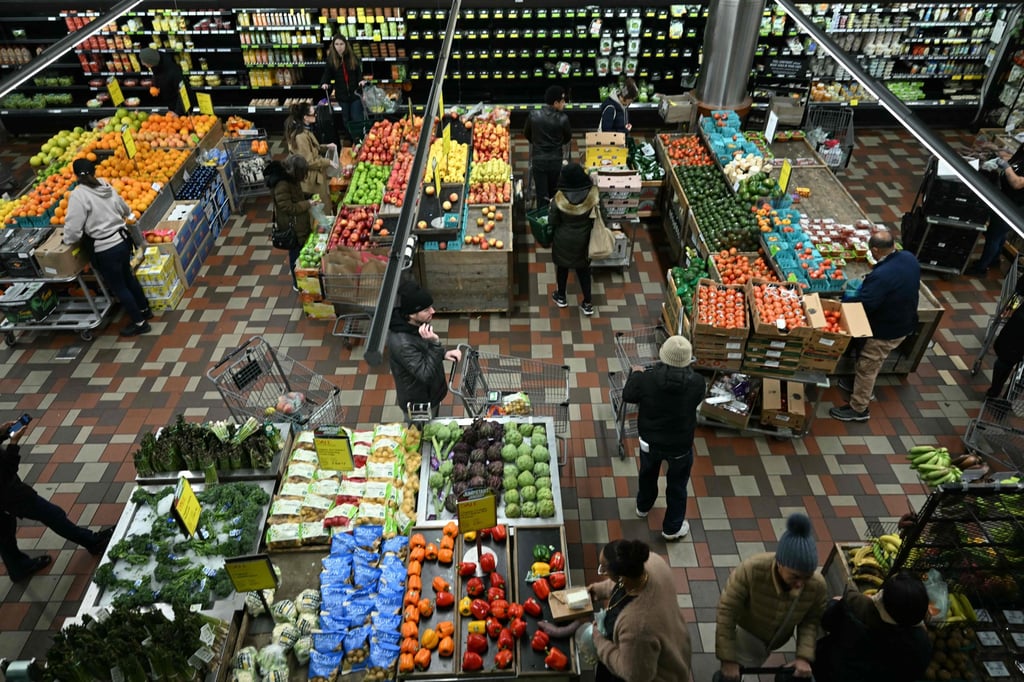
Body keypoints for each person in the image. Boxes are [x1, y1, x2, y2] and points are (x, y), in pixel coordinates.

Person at [716, 513, 827, 681]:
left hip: (777, 638)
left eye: (807, 577)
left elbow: (810, 620)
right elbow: (727, 612)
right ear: (780, 563)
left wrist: (804, 656)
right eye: (795, 576)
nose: (801, 584)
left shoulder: (817, 585)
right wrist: (728, 658)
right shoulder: (751, 570)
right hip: (749, 634)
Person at [1, 418, 114, 582]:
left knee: (4, 533)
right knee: (52, 515)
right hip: (10, 495)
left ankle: (18, 568)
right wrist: (13, 444)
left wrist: (1, 433)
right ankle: (92, 541)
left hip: (7, 496)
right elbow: (6, 473)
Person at [564, 538, 691, 682]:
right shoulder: (652, 563)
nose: (602, 572)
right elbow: (625, 584)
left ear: (621, 577)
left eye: (604, 569)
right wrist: (599, 590)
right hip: (672, 641)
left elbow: (634, 674)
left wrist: (600, 642)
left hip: (651, 670)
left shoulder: (637, 626)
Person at [830, 229, 920, 422]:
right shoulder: (908, 257)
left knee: (868, 366)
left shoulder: (882, 275)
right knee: (869, 363)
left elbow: (867, 304)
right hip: (905, 320)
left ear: (876, 250)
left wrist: (846, 303)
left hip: (887, 330)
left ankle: (859, 408)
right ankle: (856, 384)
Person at [623, 335, 706, 541]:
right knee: (677, 486)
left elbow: (628, 395)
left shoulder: (646, 380)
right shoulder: (697, 383)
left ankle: (643, 506)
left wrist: (635, 374)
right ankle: (672, 528)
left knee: (648, 474)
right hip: (679, 446)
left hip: (649, 442)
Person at [62, 158, 152, 337]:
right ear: (94, 171)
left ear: (75, 177)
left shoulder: (78, 196)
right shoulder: (105, 185)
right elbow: (124, 209)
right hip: (123, 241)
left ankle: (140, 323)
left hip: (105, 249)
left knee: (119, 286)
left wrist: (67, 239)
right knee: (128, 277)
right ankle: (145, 310)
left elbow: (73, 230)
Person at [813, 572, 931, 682]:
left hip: (830, 672)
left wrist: (836, 602)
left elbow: (826, 620)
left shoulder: (856, 606)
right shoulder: (922, 645)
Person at [387, 280, 462, 419]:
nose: (433, 311)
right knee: (420, 435)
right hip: (419, 404)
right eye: (426, 309)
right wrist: (435, 343)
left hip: (429, 395)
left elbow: (423, 351)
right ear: (411, 314)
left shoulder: (414, 326)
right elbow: (425, 374)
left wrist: (443, 353)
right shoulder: (403, 344)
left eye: (431, 307)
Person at [549, 163, 600, 316]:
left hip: (563, 239)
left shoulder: (559, 198)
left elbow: (552, 221)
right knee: (584, 271)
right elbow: (598, 215)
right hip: (584, 240)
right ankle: (587, 303)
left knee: (562, 268)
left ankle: (561, 297)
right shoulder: (592, 195)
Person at [968, 147, 1024, 275]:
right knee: (999, 234)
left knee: (993, 236)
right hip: (1003, 200)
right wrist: (997, 156)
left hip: (1013, 207)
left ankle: (981, 269)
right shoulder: (1022, 153)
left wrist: (1005, 166)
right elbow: (1013, 161)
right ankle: (994, 260)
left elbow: (1017, 183)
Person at [264, 155, 317, 291]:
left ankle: (303, 276)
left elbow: (296, 195)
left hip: (298, 222)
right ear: (296, 172)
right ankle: (296, 282)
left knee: (300, 249)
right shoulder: (282, 184)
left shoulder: (290, 178)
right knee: (295, 252)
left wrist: (308, 196)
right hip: (291, 225)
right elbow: (288, 207)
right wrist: (307, 204)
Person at [284, 101, 337, 215]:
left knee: (323, 205)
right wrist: (328, 162)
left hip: (316, 178)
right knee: (320, 209)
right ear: (305, 117)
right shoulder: (300, 137)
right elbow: (308, 162)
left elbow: (313, 148)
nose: (316, 115)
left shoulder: (305, 131)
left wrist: (326, 147)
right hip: (311, 181)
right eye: (313, 114)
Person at [523, 85, 572, 209]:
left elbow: (527, 134)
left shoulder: (534, 115)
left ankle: (542, 222)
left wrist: (537, 143)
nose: (564, 104)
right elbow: (567, 138)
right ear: (556, 103)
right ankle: (553, 221)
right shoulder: (563, 119)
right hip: (555, 160)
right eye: (562, 101)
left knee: (541, 195)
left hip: (538, 160)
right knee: (554, 194)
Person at [320, 35, 365, 144]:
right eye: (336, 44)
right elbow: (327, 74)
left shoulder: (352, 57)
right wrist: (324, 83)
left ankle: (360, 139)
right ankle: (351, 139)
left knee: (357, 118)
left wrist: (361, 80)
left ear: (346, 44)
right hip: (342, 95)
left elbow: (358, 72)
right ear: (333, 46)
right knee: (346, 120)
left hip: (355, 94)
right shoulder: (331, 59)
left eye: (341, 44)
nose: (339, 47)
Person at [987, 283, 1024, 398]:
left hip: (1018, 327)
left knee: (1004, 361)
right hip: (1019, 328)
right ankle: (1007, 399)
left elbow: (1020, 288)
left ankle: (996, 391)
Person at [139, 47, 192, 116]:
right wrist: (155, 85)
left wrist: (178, 112)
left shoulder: (173, 72)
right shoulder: (157, 59)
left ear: (152, 62)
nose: (143, 64)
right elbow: (157, 74)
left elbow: (183, 91)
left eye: (145, 63)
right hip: (168, 99)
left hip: (178, 104)